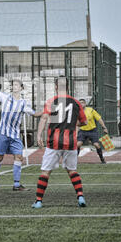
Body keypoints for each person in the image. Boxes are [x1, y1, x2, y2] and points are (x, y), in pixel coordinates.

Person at [32, 77, 88, 208]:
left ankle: (38, 201)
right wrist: (74, 123)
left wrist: (39, 135)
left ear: (56, 87)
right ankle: (80, 197)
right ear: (68, 87)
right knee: (72, 171)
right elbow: (84, 122)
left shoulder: (52, 101)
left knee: (46, 172)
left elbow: (44, 119)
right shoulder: (76, 102)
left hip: (54, 142)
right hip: (71, 142)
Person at [0, 65, 43, 191]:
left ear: (22, 88)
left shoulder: (24, 103)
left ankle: (16, 185)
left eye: (17, 84)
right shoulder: (5, 97)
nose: (14, 86)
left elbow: (34, 114)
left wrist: (47, 111)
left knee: (19, 157)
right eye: (13, 84)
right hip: (2, 133)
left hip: (15, 136)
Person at [76, 98, 108, 164]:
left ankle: (102, 159)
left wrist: (104, 127)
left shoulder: (90, 110)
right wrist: (76, 132)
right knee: (78, 145)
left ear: (85, 104)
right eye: (80, 103)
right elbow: (76, 123)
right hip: (82, 131)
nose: (81, 104)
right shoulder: (77, 111)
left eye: (82, 102)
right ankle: (74, 160)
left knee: (97, 145)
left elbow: (99, 119)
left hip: (92, 131)